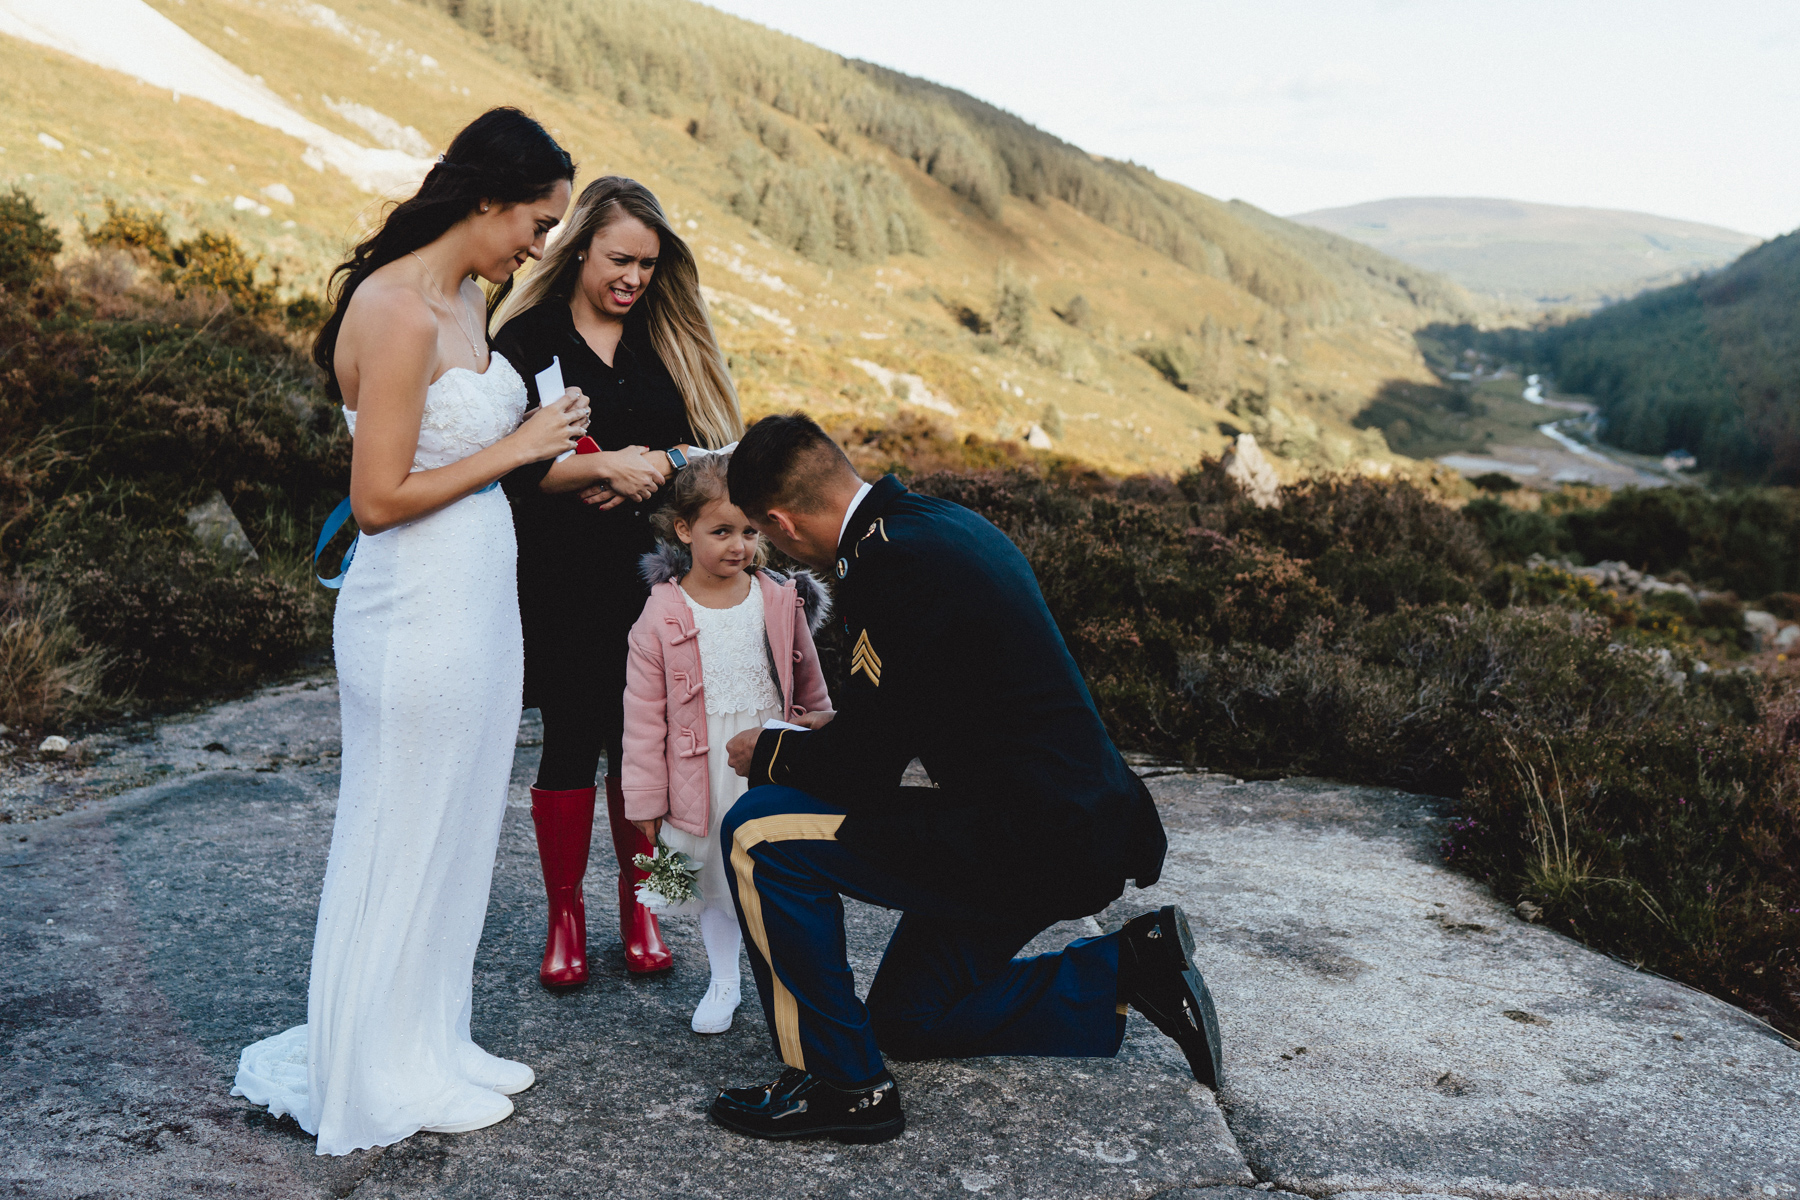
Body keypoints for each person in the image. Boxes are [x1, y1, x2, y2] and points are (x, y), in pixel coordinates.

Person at [705, 413, 1224, 1144]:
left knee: (758, 832)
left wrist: (770, 754)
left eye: (764, 534)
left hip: (1028, 839)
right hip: (1075, 826)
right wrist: (830, 732)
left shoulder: (890, 566)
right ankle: (1128, 968)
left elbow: (860, 774)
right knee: (908, 1019)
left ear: (783, 523)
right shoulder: (929, 525)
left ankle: (839, 1084)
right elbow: (917, 707)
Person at [230, 109, 583, 1155]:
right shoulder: (393, 313)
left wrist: (561, 457)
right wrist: (520, 446)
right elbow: (378, 497)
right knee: (401, 830)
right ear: (487, 199)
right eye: (536, 220)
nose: (541, 244)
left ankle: (432, 1039)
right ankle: (373, 1067)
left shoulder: (471, 296)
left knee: (462, 827)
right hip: (413, 609)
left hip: (480, 601)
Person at [492, 177, 744, 988]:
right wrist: (589, 470)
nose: (634, 278)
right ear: (579, 250)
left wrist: (655, 463)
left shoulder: (661, 341)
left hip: (658, 585)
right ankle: (565, 921)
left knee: (658, 754)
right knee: (570, 742)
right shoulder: (527, 340)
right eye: (619, 260)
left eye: (647, 264)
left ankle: (649, 911)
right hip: (560, 577)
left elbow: (710, 449)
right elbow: (503, 468)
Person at [619, 453, 832, 1033]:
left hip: (771, 752)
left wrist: (824, 729)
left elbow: (807, 677)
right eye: (721, 532)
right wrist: (645, 800)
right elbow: (641, 715)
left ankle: (789, 976)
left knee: (773, 868)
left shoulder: (779, 597)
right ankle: (724, 979)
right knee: (716, 878)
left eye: (749, 531)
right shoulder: (660, 615)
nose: (738, 546)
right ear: (684, 531)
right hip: (702, 765)